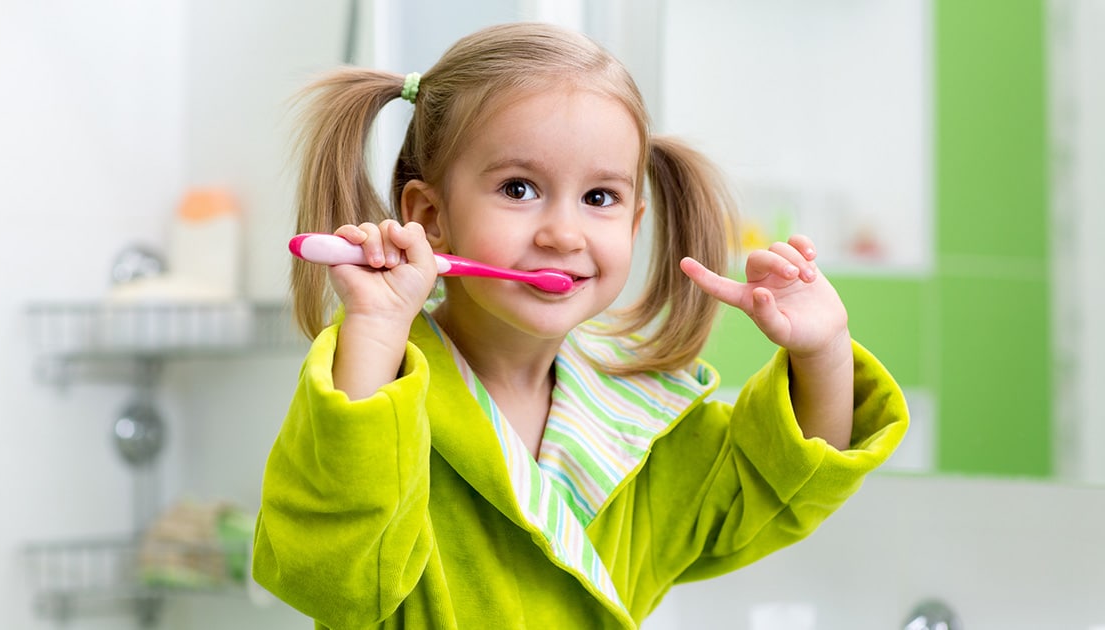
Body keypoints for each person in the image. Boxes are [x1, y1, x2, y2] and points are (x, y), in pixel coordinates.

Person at [253, 21, 907, 630]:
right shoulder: (375, 382)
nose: (564, 234)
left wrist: (823, 351)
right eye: (518, 188)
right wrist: (373, 327)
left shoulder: (642, 414)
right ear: (429, 215)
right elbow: (333, 582)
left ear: (634, 223)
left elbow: (772, 490)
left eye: (599, 198)